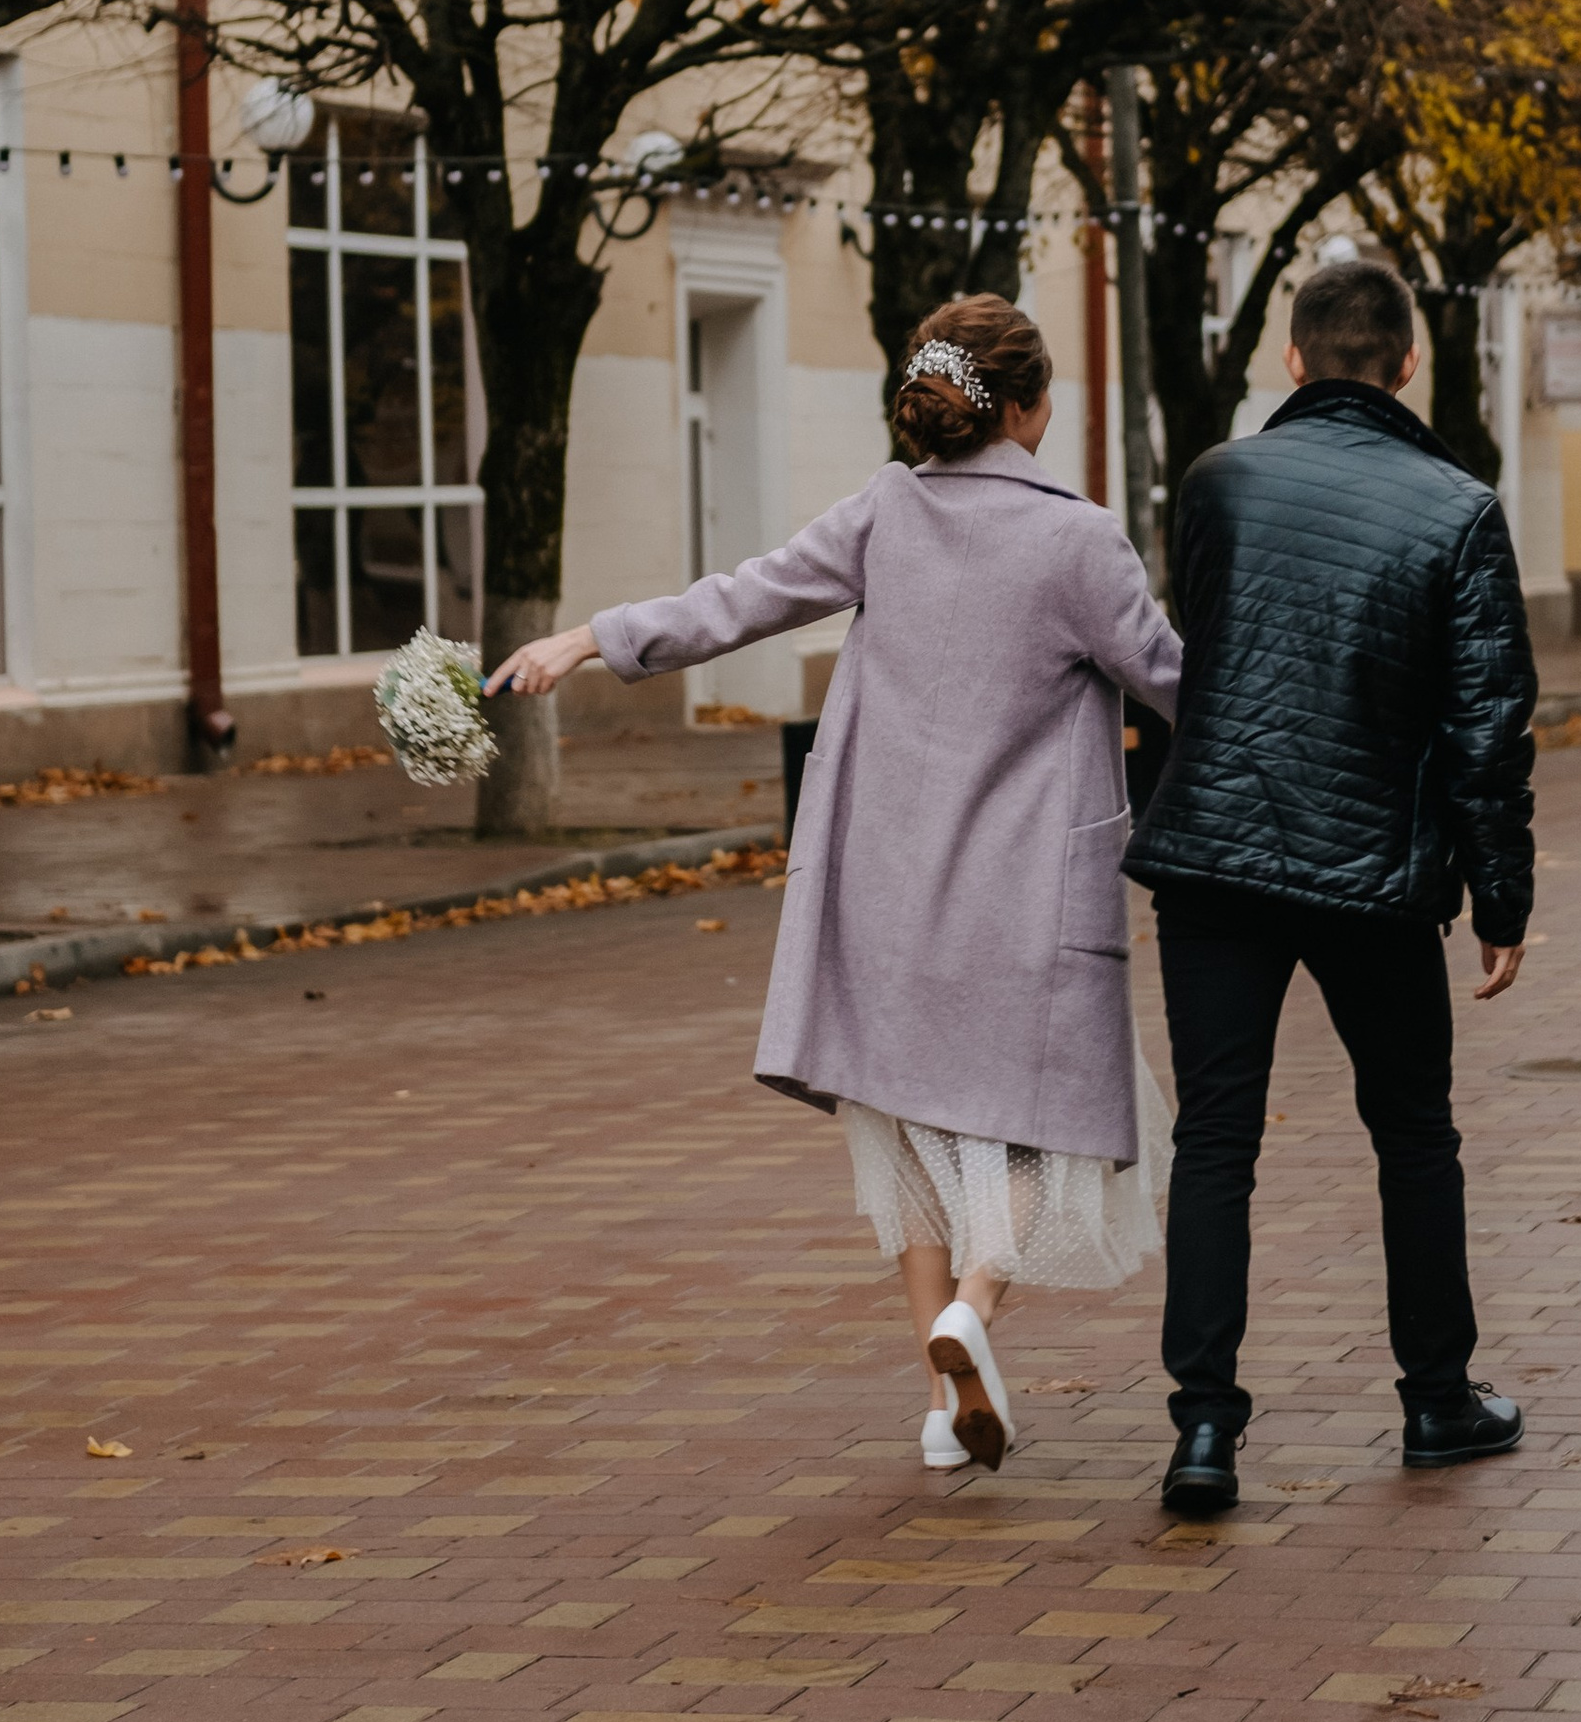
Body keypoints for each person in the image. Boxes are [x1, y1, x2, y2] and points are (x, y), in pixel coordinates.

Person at [491, 294, 1182, 1474]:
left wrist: (587, 639)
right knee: (1041, 1131)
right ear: (1023, 410)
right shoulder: (1079, 540)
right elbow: (1181, 685)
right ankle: (973, 1306)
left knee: (909, 1130)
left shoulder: (885, 513)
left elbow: (740, 599)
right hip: (1023, 895)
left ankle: (939, 1404)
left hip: (882, 888)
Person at [1125, 251, 1536, 1515]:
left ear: (1291, 359)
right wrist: (1500, 897)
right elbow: (1488, 726)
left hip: (1214, 859)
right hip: (1373, 872)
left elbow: (1199, 648)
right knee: (1412, 1136)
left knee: (1215, 1141)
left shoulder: (1215, 483)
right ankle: (1435, 1399)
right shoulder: (1459, 507)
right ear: (1406, 362)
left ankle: (1203, 1433)